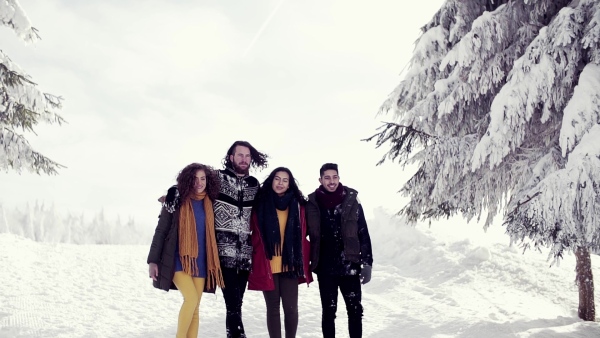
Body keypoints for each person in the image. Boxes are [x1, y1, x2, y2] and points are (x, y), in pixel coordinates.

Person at [147, 163, 225, 338]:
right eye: (195, 178)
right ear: (188, 180)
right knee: (190, 300)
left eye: (203, 178)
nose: (199, 183)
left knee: (195, 307)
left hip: (201, 262)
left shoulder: (210, 202)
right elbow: (161, 230)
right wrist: (153, 261)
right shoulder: (175, 199)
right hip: (177, 260)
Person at [305, 163, 373, 338]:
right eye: (327, 178)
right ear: (320, 180)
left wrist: (367, 263)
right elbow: (301, 232)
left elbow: (363, 233)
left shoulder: (351, 201)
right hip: (325, 268)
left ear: (339, 178)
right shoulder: (312, 204)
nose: (331, 181)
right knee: (328, 312)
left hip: (349, 265)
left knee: (355, 311)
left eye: (334, 177)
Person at [248, 167, 313, 338]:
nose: (280, 183)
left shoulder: (299, 205)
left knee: (291, 309)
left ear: (290, 184)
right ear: (272, 180)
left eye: (285, 180)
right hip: (267, 263)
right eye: (277, 179)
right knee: (273, 308)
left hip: (290, 263)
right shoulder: (260, 203)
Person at [215, 140, 268, 338]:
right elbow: (195, 181)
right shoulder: (217, 178)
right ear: (231, 157)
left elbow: (271, 200)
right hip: (223, 251)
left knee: (236, 303)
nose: (244, 159)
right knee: (233, 303)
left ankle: (233, 334)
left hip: (245, 253)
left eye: (247, 156)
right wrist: (174, 190)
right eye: (240, 155)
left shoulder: (253, 184)